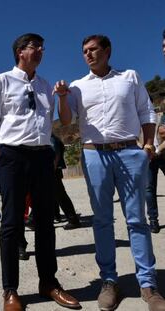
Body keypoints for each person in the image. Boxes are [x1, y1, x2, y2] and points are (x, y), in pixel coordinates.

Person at [55, 34, 165, 311]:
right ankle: (109, 281)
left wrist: (148, 144)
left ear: (107, 51)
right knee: (102, 220)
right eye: (84, 51)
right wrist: (63, 99)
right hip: (94, 155)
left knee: (137, 220)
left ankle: (148, 284)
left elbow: (146, 112)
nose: (88, 55)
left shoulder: (129, 77)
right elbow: (67, 120)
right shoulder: (78, 87)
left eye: (93, 49)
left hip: (130, 152)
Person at [0, 33, 80, 311]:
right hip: (12, 155)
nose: (40, 50)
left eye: (41, 47)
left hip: (41, 156)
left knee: (46, 222)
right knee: (12, 222)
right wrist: (2, 154)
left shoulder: (45, 85)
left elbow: (51, 122)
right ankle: (10, 290)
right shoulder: (2, 81)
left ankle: (48, 282)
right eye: (33, 46)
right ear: (19, 52)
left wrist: (47, 155)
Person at [51, 133, 81, 230]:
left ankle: (73, 219)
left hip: (51, 170)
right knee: (54, 195)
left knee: (59, 195)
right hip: (53, 170)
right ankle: (64, 217)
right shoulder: (52, 138)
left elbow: (55, 154)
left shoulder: (51, 138)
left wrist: (52, 168)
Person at [146, 122, 165, 233]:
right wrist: (145, 151)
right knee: (149, 189)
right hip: (148, 157)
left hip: (162, 153)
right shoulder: (136, 117)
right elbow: (135, 138)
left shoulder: (161, 116)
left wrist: (157, 151)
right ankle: (153, 220)